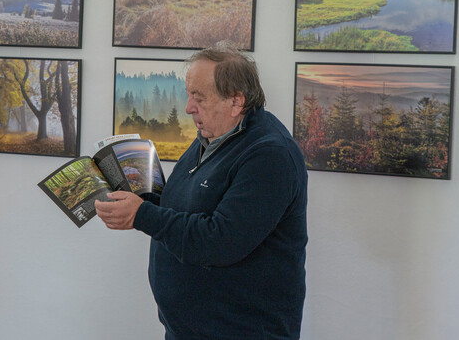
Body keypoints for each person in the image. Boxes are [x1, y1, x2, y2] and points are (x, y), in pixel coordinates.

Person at [95, 41, 308, 340]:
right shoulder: (212, 134)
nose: (188, 107)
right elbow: (189, 207)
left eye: (199, 97)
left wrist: (142, 215)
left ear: (236, 101)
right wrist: (140, 200)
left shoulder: (270, 156)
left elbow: (220, 241)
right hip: (188, 330)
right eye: (188, 94)